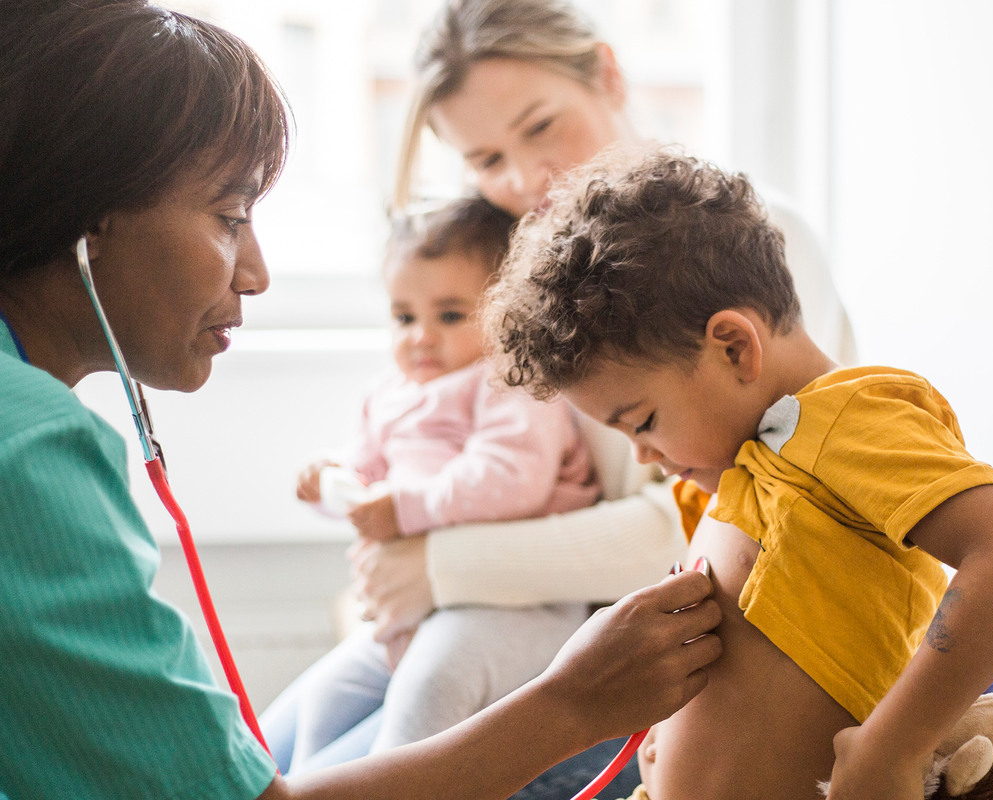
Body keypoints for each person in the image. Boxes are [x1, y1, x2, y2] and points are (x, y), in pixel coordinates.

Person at [0, 4, 722, 799]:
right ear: (87, 215)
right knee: (296, 731)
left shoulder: (692, 263)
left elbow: (681, 523)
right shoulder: (27, 450)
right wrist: (565, 699)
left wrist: (435, 565)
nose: (257, 274)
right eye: (230, 217)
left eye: (541, 127)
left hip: (532, 622)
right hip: (465, 619)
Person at [339, 4, 858, 791]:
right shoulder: (530, 270)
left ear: (609, 75)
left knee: (381, 765)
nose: (522, 180)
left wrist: (439, 566)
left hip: (683, 656)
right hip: (547, 631)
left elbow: (715, 526)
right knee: (294, 753)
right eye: (486, 158)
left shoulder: (748, 242)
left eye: (542, 126)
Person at [482, 147, 993, 800]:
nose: (642, 454)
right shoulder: (737, 474)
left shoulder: (847, 418)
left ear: (734, 346)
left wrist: (895, 746)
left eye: (641, 421)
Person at [271, 196, 601, 775]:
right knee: (326, 697)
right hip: (416, 607)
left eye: (449, 316)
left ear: (507, 311)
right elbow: (370, 478)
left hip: (515, 604)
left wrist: (402, 507)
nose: (420, 337)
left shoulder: (512, 381)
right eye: (404, 317)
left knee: (429, 689)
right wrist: (333, 480)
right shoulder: (392, 394)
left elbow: (511, 479)